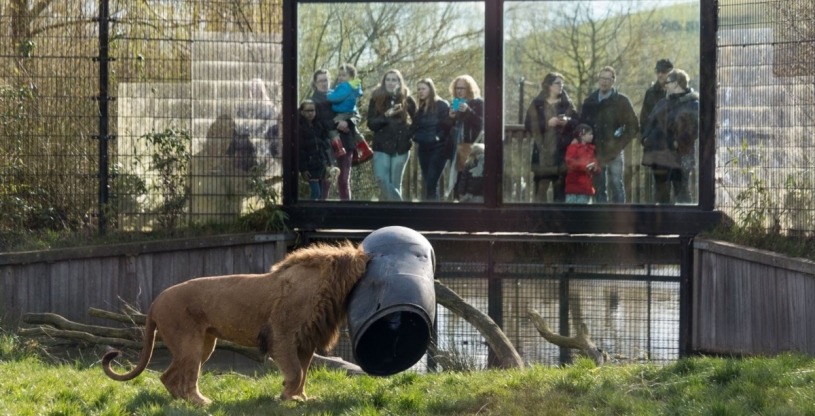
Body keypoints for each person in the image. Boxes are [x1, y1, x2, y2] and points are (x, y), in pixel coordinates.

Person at [580, 66, 639, 203]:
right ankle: (602, 218)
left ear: (613, 81)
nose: (603, 82)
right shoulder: (590, 101)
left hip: (615, 150)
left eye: (607, 79)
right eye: (601, 78)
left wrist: (620, 143)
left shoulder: (621, 101)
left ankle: (619, 216)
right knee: (599, 186)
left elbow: (633, 125)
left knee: (616, 184)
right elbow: (582, 125)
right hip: (596, 150)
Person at [641, 69, 699, 204]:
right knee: (661, 193)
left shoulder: (693, 104)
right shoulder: (662, 103)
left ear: (677, 83)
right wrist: (645, 138)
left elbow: (694, 129)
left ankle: (685, 222)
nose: (665, 85)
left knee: (682, 191)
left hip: (680, 155)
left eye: (668, 82)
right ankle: (663, 224)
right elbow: (648, 122)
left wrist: (678, 143)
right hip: (659, 155)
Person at [524, 72, 578, 203]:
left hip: (560, 153)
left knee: (559, 195)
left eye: (562, 83)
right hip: (542, 153)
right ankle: (538, 222)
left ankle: (558, 223)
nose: (561, 86)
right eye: (558, 83)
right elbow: (528, 124)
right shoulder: (537, 103)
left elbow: (578, 122)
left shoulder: (567, 103)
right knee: (539, 193)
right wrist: (547, 123)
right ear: (548, 85)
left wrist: (568, 120)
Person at [367, 69, 417, 201]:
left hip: (401, 146)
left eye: (394, 80)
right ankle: (401, 207)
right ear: (383, 82)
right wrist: (386, 115)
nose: (390, 83)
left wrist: (408, 134)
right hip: (381, 145)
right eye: (387, 80)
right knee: (381, 179)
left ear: (399, 82)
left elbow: (417, 122)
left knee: (395, 184)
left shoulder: (407, 99)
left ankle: (393, 215)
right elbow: (371, 124)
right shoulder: (376, 98)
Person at [310, 69, 355, 200]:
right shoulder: (312, 101)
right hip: (326, 146)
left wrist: (347, 122)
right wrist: (336, 123)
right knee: (326, 180)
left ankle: (347, 211)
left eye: (326, 80)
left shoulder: (339, 95)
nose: (324, 83)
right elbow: (316, 123)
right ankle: (322, 211)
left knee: (344, 179)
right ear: (315, 83)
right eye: (321, 81)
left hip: (346, 141)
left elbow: (354, 114)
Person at [411, 78, 450, 201]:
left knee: (432, 182)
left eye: (423, 89)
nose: (420, 92)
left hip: (439, 149)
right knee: (429, 183)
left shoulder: (442, 105)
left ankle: (434, 213)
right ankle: (434, 211)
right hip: (423, 148)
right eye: (418, 89)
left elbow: (447, 125)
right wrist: (415, 137)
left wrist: (437, 138)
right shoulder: (420, 108)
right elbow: (414, 126)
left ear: (430, 89)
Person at [446, 75, 484, 199]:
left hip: (472, 147)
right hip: (457, 147)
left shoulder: (479, 103)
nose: (459, 91)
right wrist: (451, 118)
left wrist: (468, 111)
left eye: (463, 88)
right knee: (458, 180)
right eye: (457, 88)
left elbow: (483, 123)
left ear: (470, 89)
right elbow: (447, 127)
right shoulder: (455, 103)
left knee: (469, 181)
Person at [236, 78, 279, 158]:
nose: (254, 91)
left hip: (263, 141)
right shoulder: (245, 107)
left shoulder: (270, 107)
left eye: (257, 89)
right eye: (252, 89)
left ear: (261, 90)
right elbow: (241, 125)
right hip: (248, 141)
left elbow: (271, 126)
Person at [297, 99, 331, 200]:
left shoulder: (319, 125)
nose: (311, 113)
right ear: (302, 112)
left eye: (313, 110)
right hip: (309, 166)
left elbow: (325, 146)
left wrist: (328, 163)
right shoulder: (299, 127)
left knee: (321, 195)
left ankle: (318, 213)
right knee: (316, 192)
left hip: (320, 164)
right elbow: (300, 150)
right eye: (308, 111)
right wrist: (303, 169)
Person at [327, 63, 365, 146]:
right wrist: (330, 91)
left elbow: (337, 97)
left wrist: (327, 96)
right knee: (353, 130)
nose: (340, 77)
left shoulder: (346, 86)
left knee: (332, 127)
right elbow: (338, 93)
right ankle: (365, 147)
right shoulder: (351, 86)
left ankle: (338, 148)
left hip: (343, 112)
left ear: (351, 77)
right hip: (349, 112)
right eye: (339, 75)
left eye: (343, 75)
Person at [564, 124, 600, 204]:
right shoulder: (573, 148)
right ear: (582, 136)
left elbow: (595, 163)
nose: (592, 136)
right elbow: (570, 162)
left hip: (586, 187)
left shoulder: (591, 150)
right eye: (590, 134)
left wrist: (595, 168)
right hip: (574, 186)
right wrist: (584, 166)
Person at [640, 59, 674, 135]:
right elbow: (644, 118)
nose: (660, 75)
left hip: (671, 140)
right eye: (658, 72)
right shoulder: (650, 93)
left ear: (671, 73)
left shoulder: (677, 91)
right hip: (653, 140)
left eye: (663, 72)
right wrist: (645, 137)